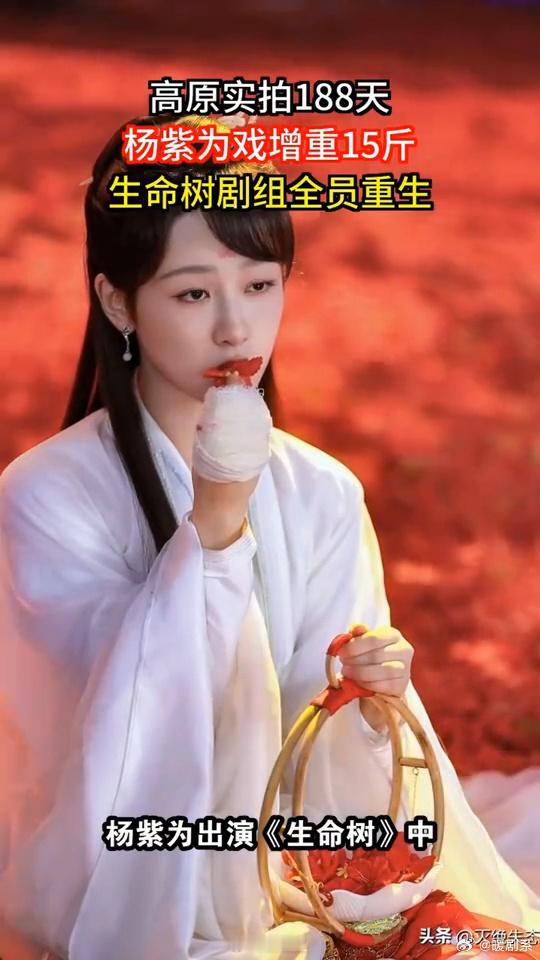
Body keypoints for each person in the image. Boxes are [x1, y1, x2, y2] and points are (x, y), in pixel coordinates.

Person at [0, 112, 538, 960]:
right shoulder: (43, 497)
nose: (235, 329)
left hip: (294, 872)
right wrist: (214, 531)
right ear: (116, 300)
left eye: (259, 285)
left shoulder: (322, 491)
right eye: (192, 294)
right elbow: (106, 744)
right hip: (122, 882)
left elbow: (321, 749)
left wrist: (368, 700)